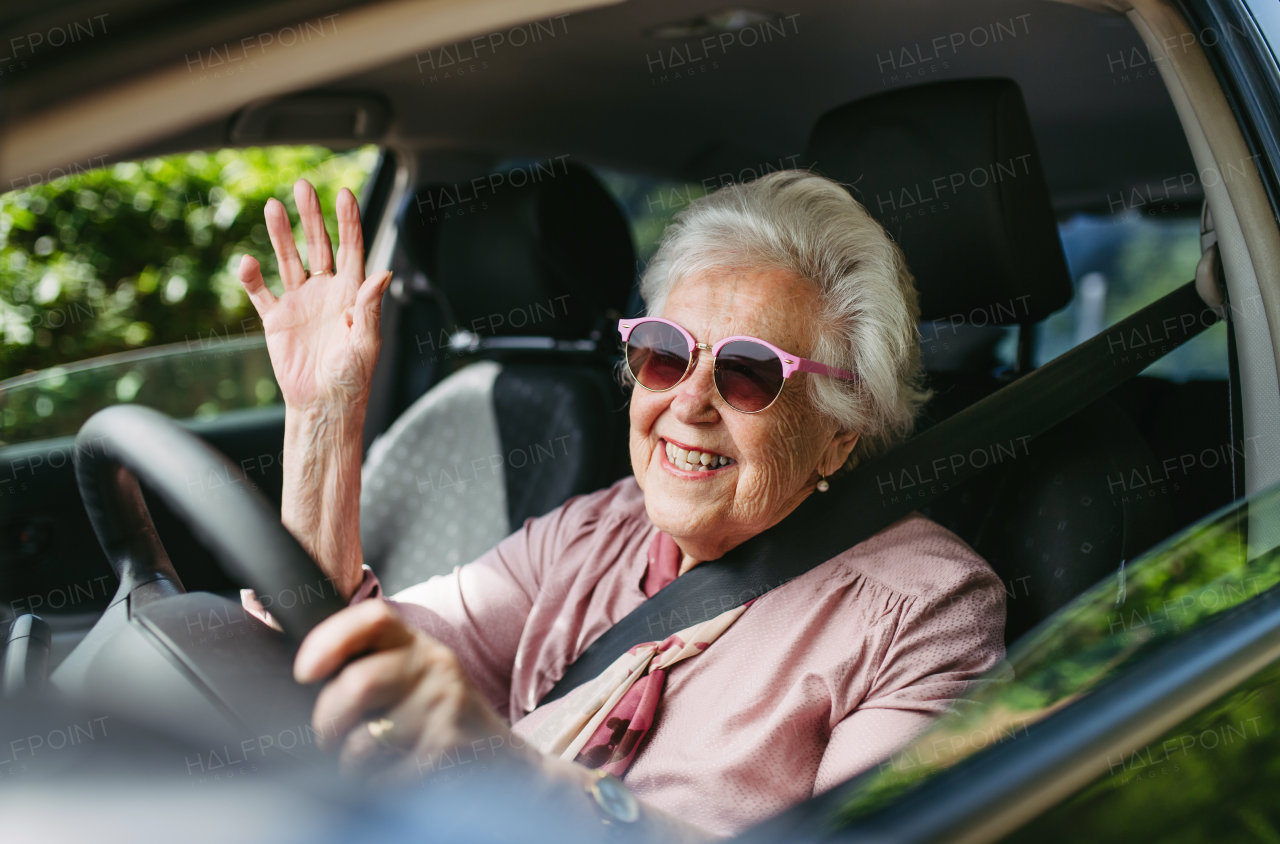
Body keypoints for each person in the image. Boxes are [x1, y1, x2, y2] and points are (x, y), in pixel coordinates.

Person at [236, 169, 1007, 839]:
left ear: (841, 433)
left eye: (748, 373)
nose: (690, 401)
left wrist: (520, 776)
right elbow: (334, 656)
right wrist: (323, 420)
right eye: (665, 353)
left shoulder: (921, 608)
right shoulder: (595, 529)